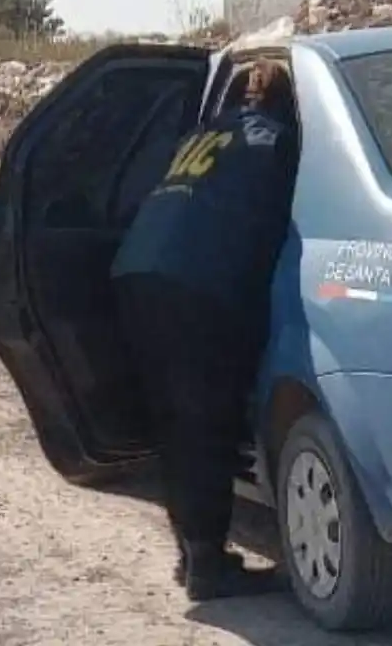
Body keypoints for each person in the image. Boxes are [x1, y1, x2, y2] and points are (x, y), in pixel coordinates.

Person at [111, 59, 299, 601]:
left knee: (176, 423)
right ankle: (208, 567)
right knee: (206, 421)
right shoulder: (278, 141)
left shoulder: (204, 133)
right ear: (286, 103)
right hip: (195, 283)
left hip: (138, 271)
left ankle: (192, 553)